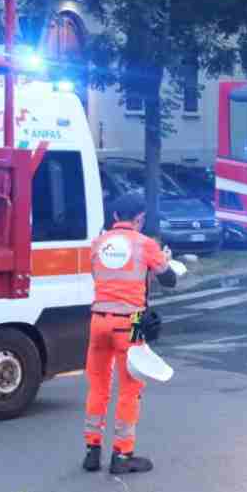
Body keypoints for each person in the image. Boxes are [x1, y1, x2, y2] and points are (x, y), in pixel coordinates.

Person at [83, 192, 176, 475]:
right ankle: (122, 455)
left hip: (98, 318)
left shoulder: (98, 244)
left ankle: (91, 450)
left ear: (113, 218)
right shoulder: (145, 244)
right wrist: (164, 260)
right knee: (130, 387)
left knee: (98, 385)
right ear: (139, 219)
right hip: (132, 320)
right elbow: (169, 279)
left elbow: (98, 277)